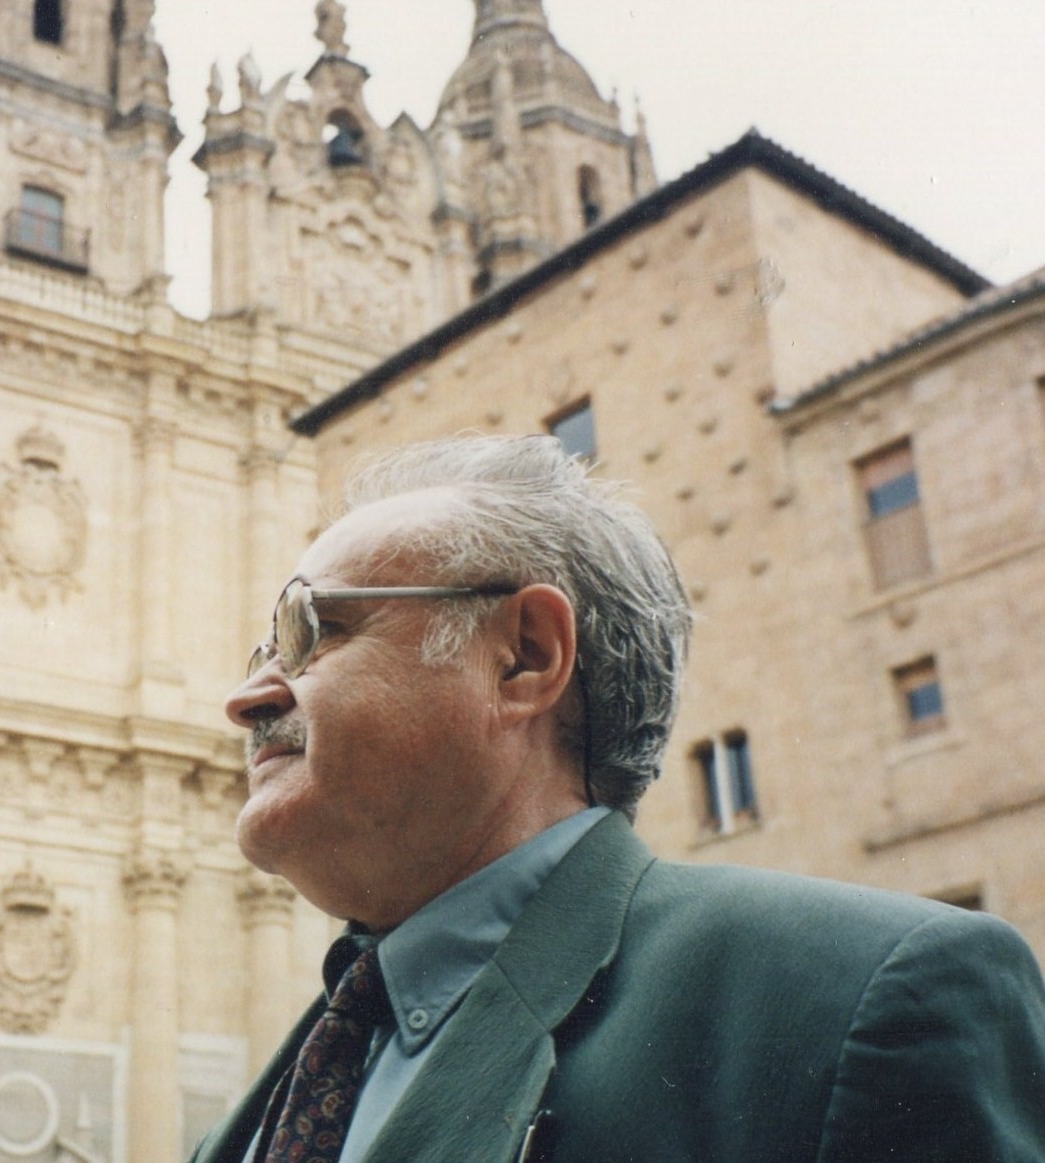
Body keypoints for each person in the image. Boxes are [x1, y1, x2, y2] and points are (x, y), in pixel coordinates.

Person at [191, 434, 1045, 1163]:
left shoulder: (871, 998)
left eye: (312, 630)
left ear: (524, 657)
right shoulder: (302, 1071)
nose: (247, 694)